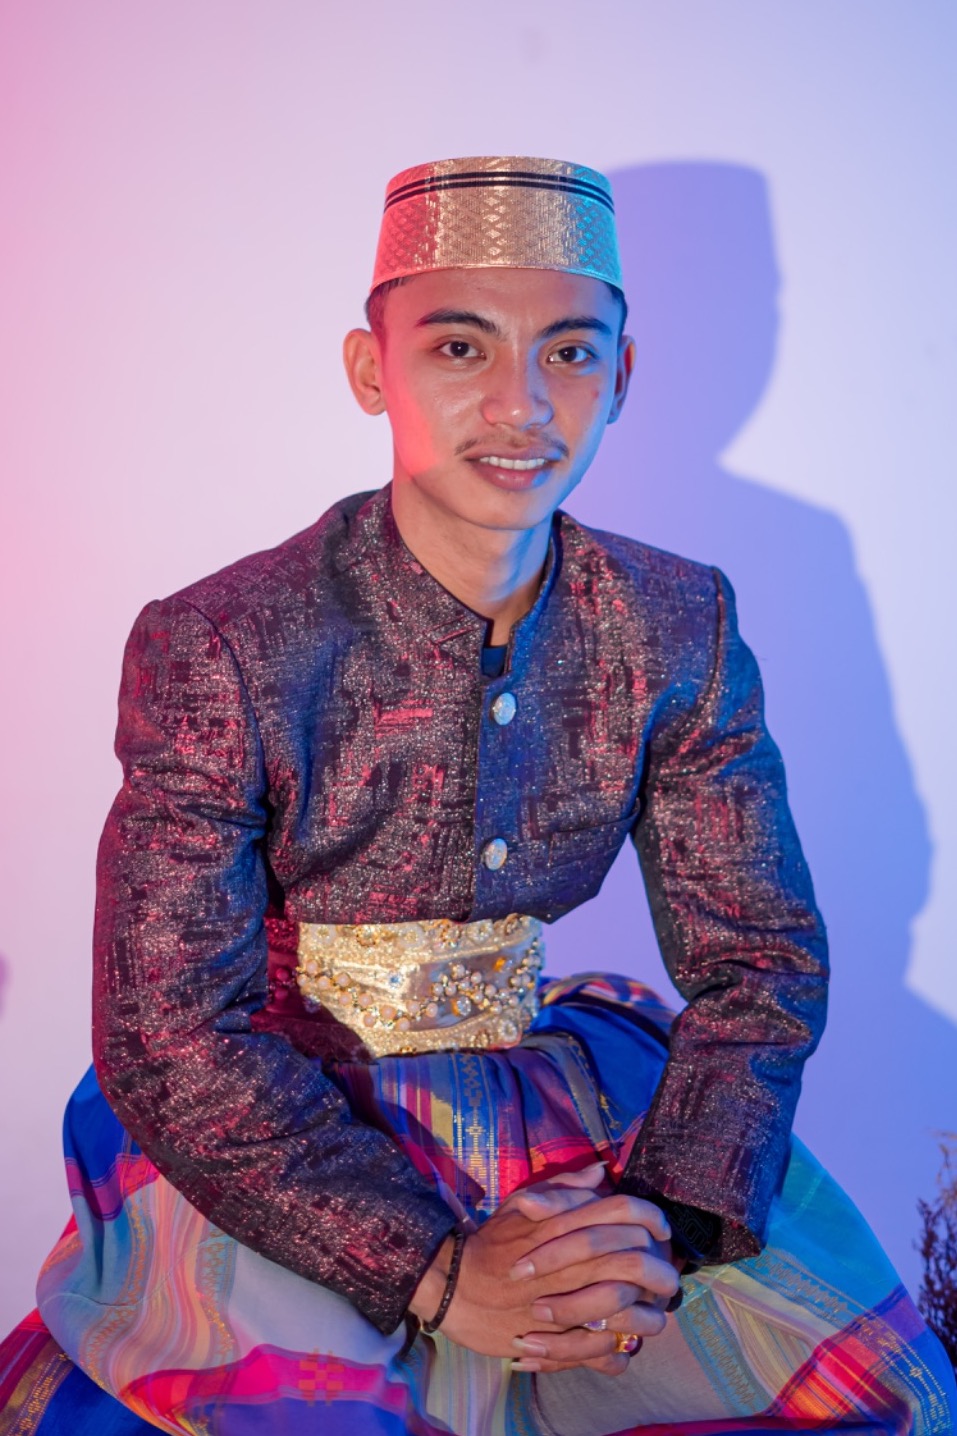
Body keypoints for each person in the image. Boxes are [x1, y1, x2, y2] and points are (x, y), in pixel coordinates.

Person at [1, 155, 954, 1436]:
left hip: (563, 1113)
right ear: (370, 368)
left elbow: (762, 962)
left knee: (878, 1398)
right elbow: (166, 1029)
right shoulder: (224, 639)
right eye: (461, 346)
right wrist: (440, 1273)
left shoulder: (676, 623)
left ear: (624, 374)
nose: (523, 403)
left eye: (570, 352)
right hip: (278, 1136)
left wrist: (654, 1225)